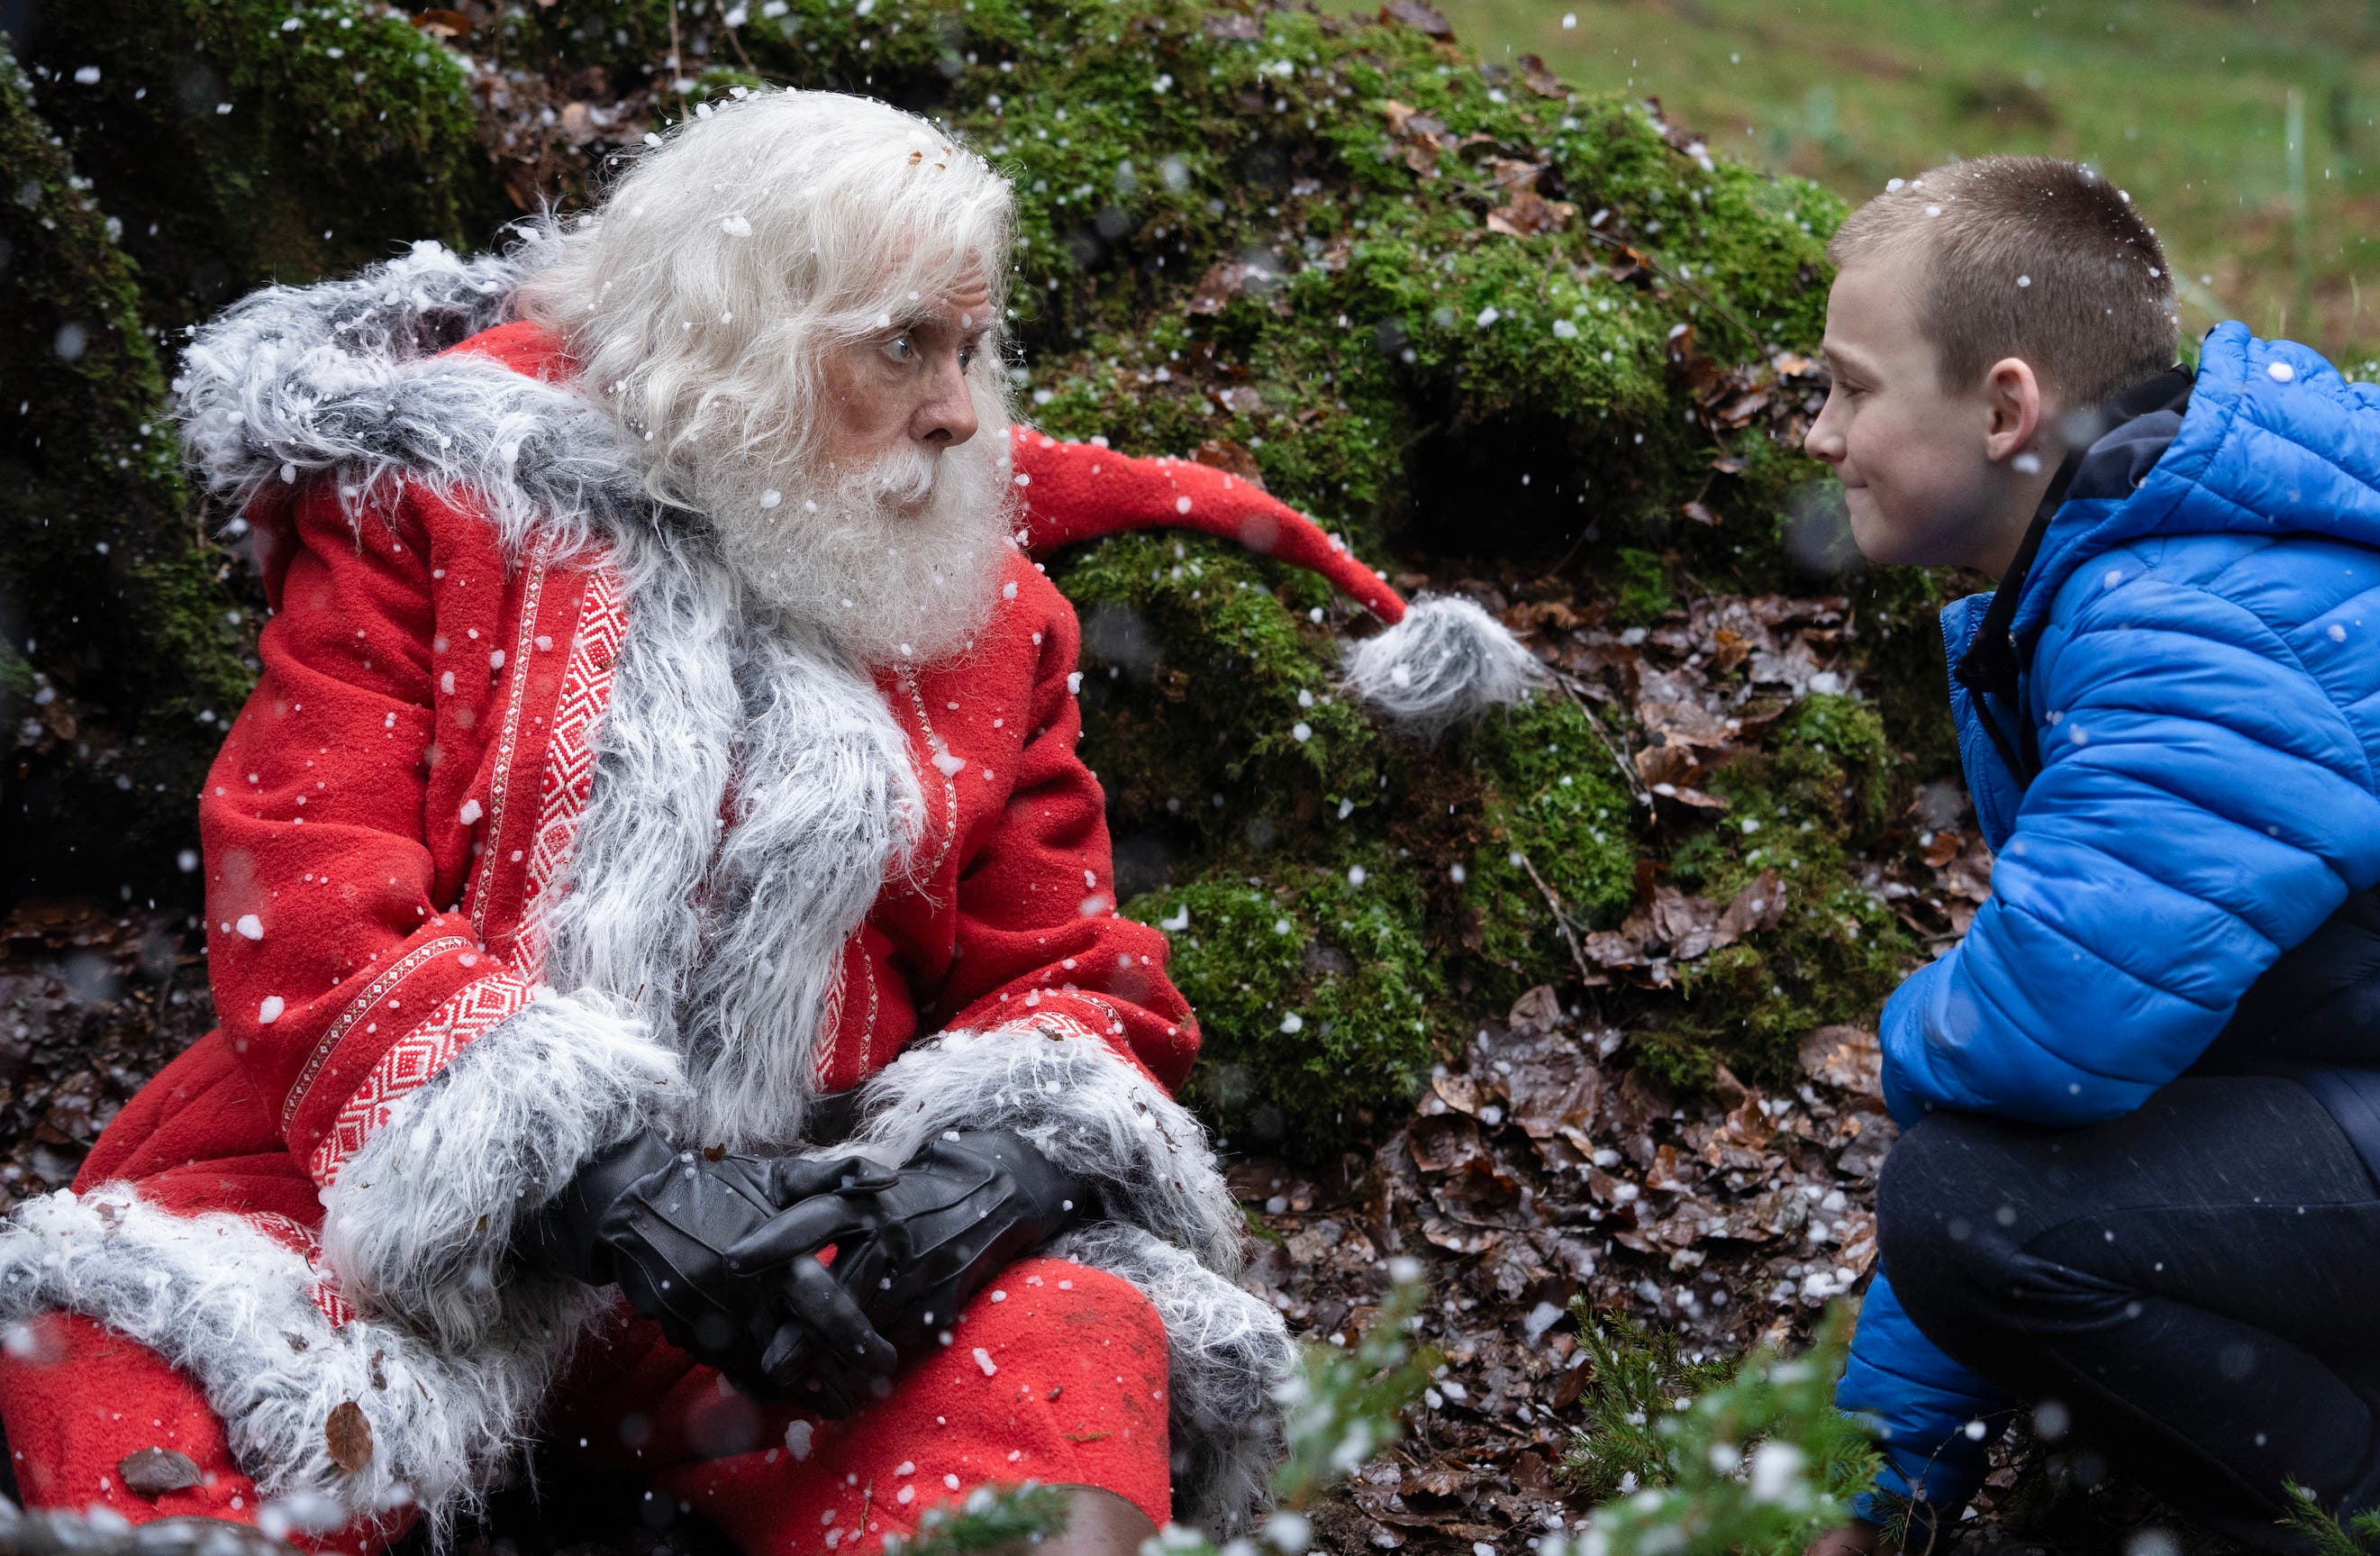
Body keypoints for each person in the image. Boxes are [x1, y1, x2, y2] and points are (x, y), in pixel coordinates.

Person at [0, 89, 1535, 1555]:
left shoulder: (991, 621)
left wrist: (985, 1173)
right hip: (365, 1210)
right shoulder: (438, 504)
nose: (954, 412)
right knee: (132, 1367)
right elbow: (307, 892)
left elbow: (1064, 974)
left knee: (1070, 1352)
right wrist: (600, 1183)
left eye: (972, 350)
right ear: (738, 339)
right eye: (901, 349)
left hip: (794, 1276)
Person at [1797, 156, 2380, 1556]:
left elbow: (2035, 1052)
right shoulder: (2138, 566)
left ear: (2006, 407)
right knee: (2003, 1217)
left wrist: (1895, 1039)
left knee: (1972, 1208)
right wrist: (1887, 1486)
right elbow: (2058, 1096)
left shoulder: (2170, 620)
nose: (1820, 435)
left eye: (1851, 385)